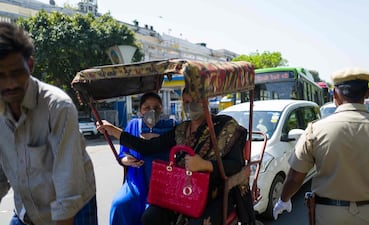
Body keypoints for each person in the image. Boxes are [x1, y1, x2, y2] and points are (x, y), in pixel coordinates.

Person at [97, 89, 256, 225]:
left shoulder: (226, 127)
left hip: (214, 193)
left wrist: (205, 165)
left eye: (194, 101)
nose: (190, 106)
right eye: (186, 102)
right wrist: (113, 131)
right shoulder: (181, 129)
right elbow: (147, 147)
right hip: (180, 189)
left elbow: (235, 165)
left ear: (205, 101)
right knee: (150, 216)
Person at [273, 68, 369, 225]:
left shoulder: (315, 131)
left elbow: (294, 178)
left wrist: (283, 200)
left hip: (328, 216)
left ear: (335, 94)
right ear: (367, 93)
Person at [0, 22, 97, 225]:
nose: (10, 84)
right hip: (28, 211)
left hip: (74, 210)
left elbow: (68, 186)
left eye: (17, 73)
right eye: (0, 76)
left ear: (31, 65)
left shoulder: (58, 107)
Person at [110, 92, 177, 225]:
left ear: (162, 109)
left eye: (156, 108)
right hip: (136, 181)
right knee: (119, 204)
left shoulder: (172, 126)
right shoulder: (133, 125)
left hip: (163, 183)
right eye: (147, 108)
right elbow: (122, 155)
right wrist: (126, 161)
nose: (152, 111)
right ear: (140, 110)